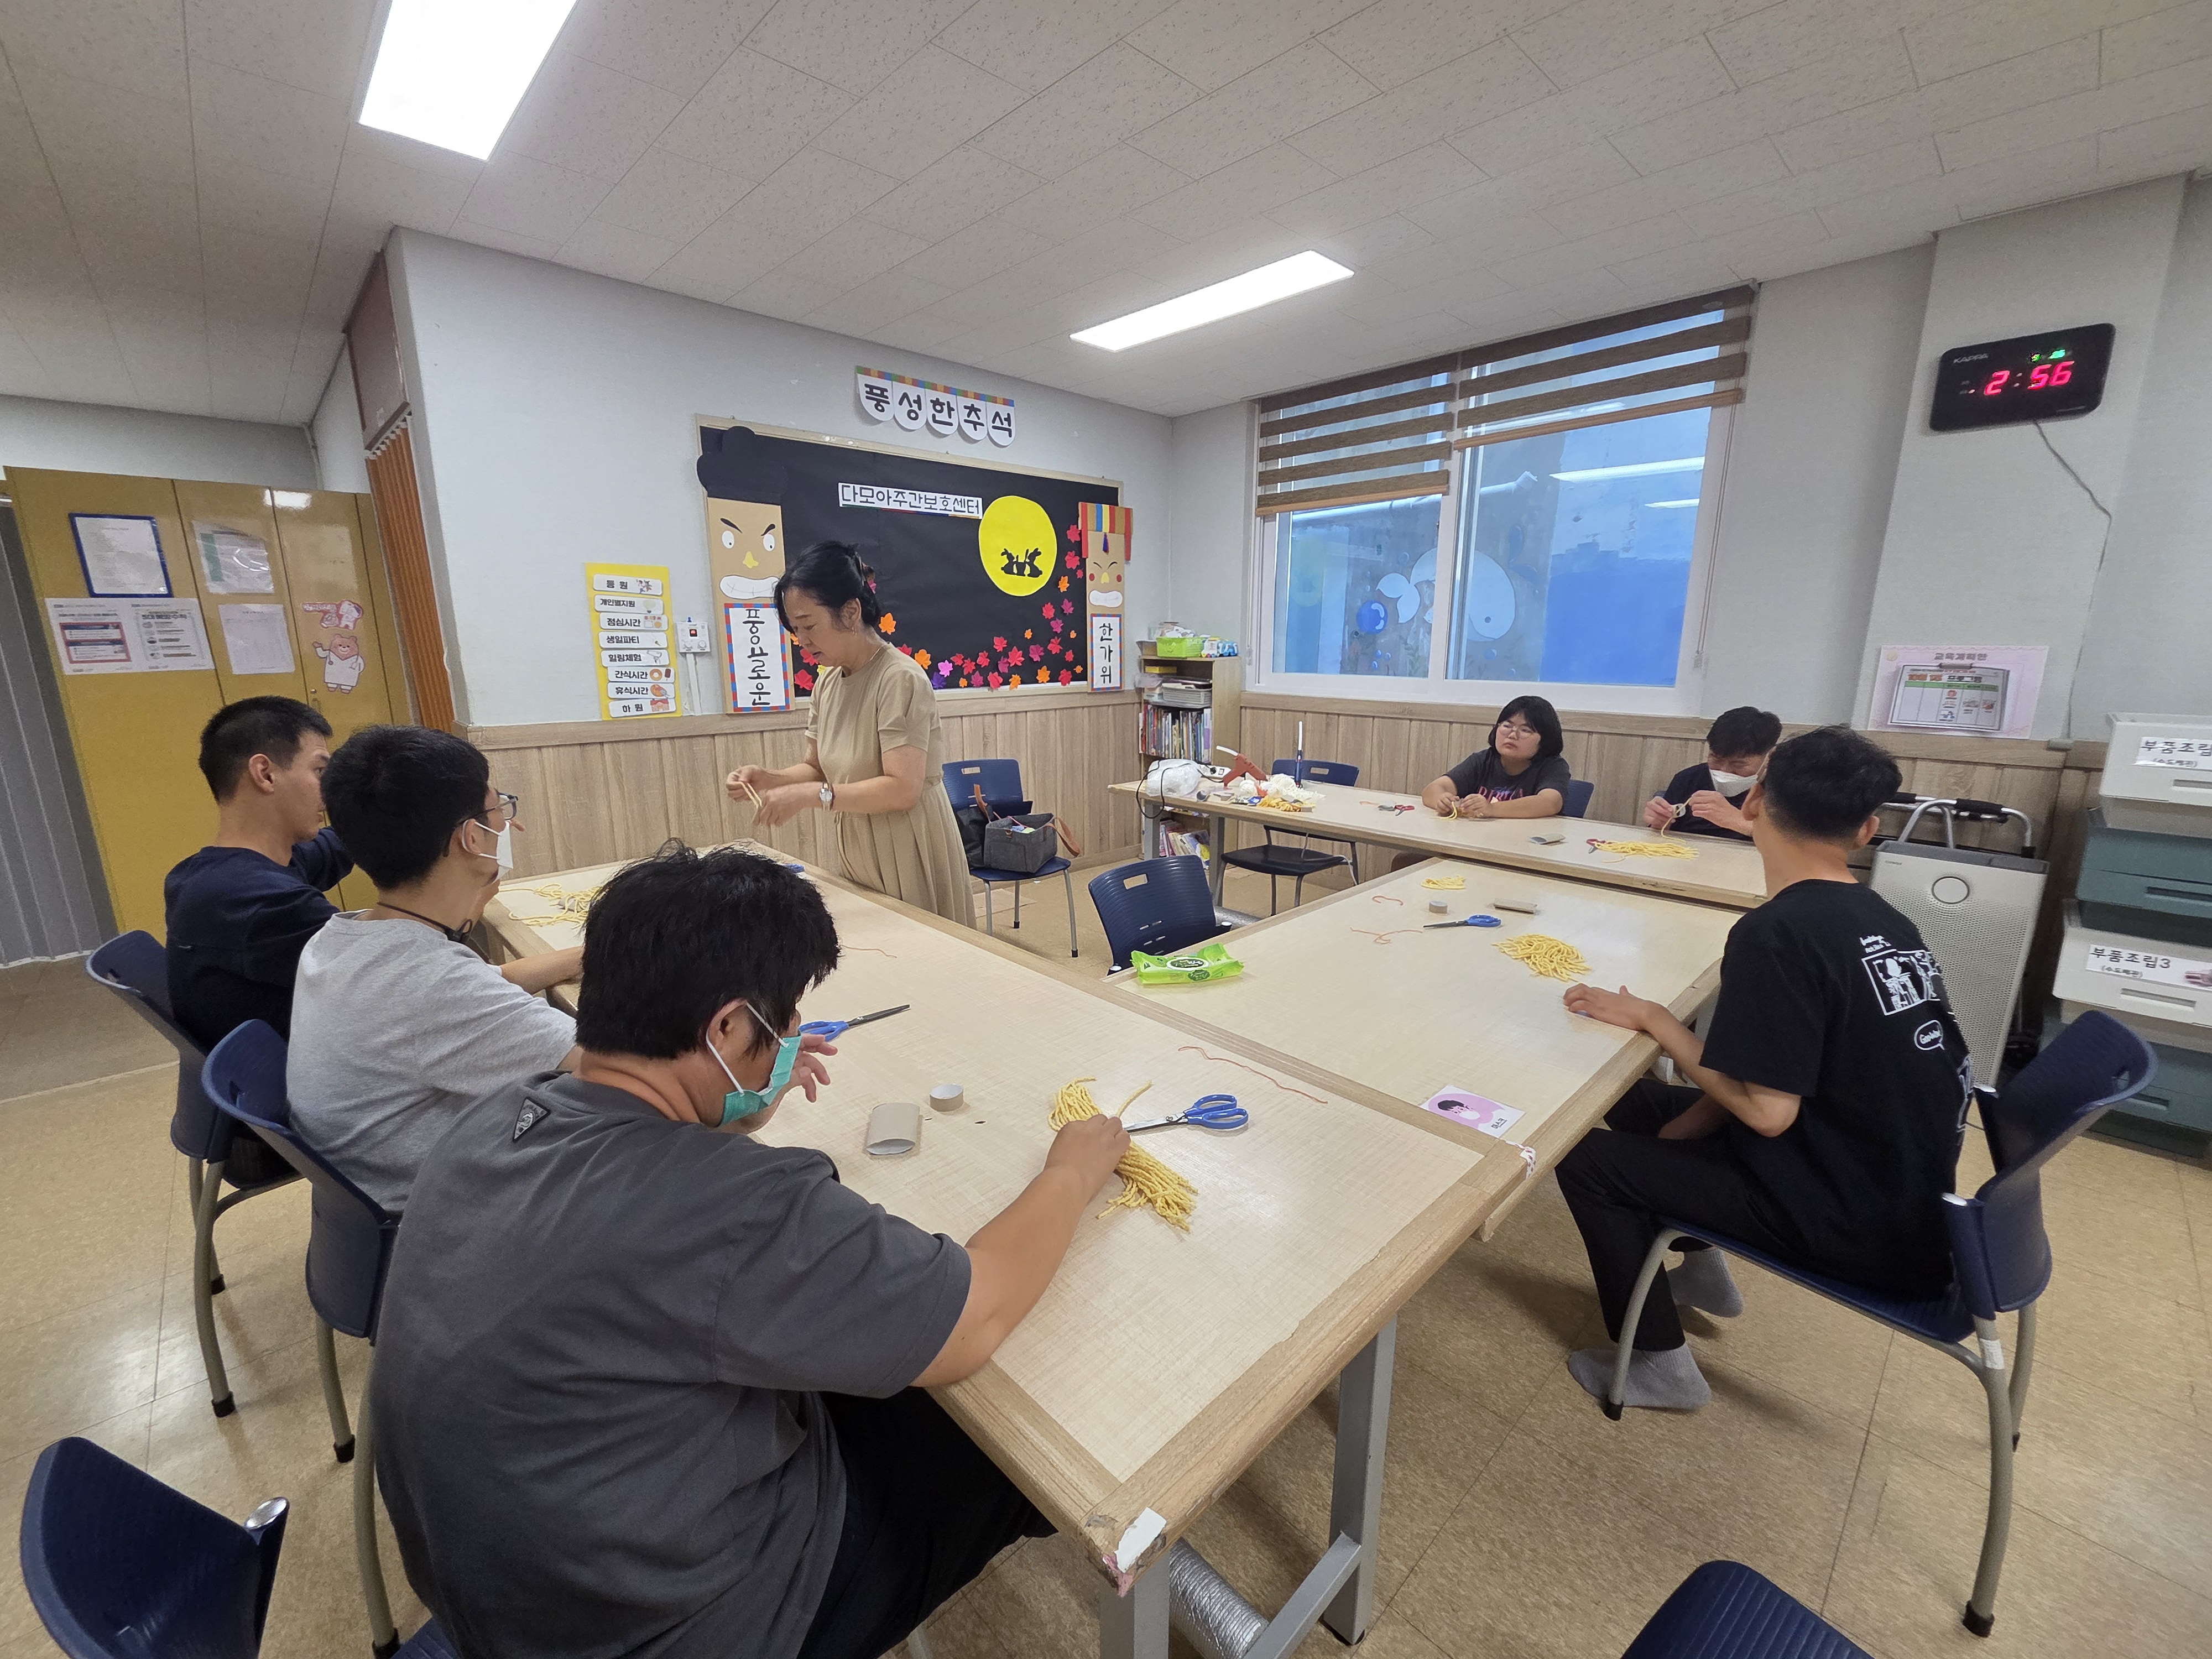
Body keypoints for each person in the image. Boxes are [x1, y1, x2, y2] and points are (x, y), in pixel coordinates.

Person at [369, 844, 1131, 1659]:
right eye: (784, 1018)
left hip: (499, 1590)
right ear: (728, 1026)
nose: (793, 1032)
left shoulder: (492, 1122)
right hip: (667, 1629)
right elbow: (976, 1313)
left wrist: (733, 1097)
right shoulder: (735, 1207)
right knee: (1003, 1439)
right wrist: (1069, 1172)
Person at [1553, 726, 1972, 1411]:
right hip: (1899, 1192)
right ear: (1866, 830)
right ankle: (1702, 1272)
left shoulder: (1776, 933)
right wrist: (1684, 1127)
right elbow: (1775, 1071)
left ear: (1752, 805)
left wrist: (1657, 1020)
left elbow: (1767, 1112)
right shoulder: (1880, 915)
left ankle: (1661, 1368)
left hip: (1850, 1219)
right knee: (1628, 1095)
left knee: (1584, 1161)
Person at [288, 726, 582, 1213]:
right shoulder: (433, 984)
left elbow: (490, 985)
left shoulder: (341, 938)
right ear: (472, 837)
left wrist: (587, 955)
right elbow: (613, 1065)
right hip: (449, 1213)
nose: (506, 822)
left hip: (372, 1195)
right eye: (499, 807)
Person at [727, 541, 972, 926]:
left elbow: (903, 789)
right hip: (858, 839)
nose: (802, 640)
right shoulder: (827, 684)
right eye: (795, 629)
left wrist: (809, 796)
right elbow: (817, 768)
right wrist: (769, 779)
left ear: (851, 612)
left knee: (921, 947)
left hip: (907, 840)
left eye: (809, 626)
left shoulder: (899, 678)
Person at [164, 697, 349, 1185]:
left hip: (245, 1101)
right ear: (265, 774)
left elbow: (331, 849)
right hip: (284, 1127)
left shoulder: (205, 876)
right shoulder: (265, 903)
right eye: (320, 770)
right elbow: (418, 980)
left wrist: (402, 811)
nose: (330, 788)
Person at [1641, 705, 1781, 842]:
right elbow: (1664, 835)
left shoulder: (1782, 788)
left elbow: (1791, 846)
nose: (1724, 771)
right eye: (1716, 759)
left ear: (1769, 757)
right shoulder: (1688, 779)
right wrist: (1659, 823)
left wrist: (1737, 820)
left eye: (1738, 764)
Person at [1420, 695, 1572, 820]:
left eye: (1525, 730)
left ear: (1545, 740)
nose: (1513, 735)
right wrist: (1442, 801)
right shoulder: (1483, 760)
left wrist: (1491, 809)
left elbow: (1550, 802)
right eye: (1507, 726)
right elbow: (1432, 789)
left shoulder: (1553, 766)